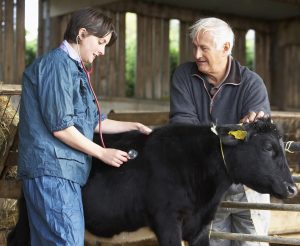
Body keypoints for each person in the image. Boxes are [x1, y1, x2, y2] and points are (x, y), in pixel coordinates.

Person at [18, 8, 151, 246]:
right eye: (100, 42)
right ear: (81, 34)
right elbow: (60, 126)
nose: (102, 50)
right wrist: (102, 152)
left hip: (65, 172)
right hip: (52, 170)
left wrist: (134, 125)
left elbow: (94, 121)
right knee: (66, 241)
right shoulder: (57, 66)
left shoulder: (74, 70)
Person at [170, 17, 271, 246]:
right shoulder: (184, 76)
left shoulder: (252, 83)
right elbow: (184, 130)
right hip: (208, 184)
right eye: (194, 47)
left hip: (249, 184)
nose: (196, 55)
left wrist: (245, 132)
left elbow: (257, 134)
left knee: (252, 243)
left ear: (226, 48)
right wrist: (236, 133)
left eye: (203, 48)